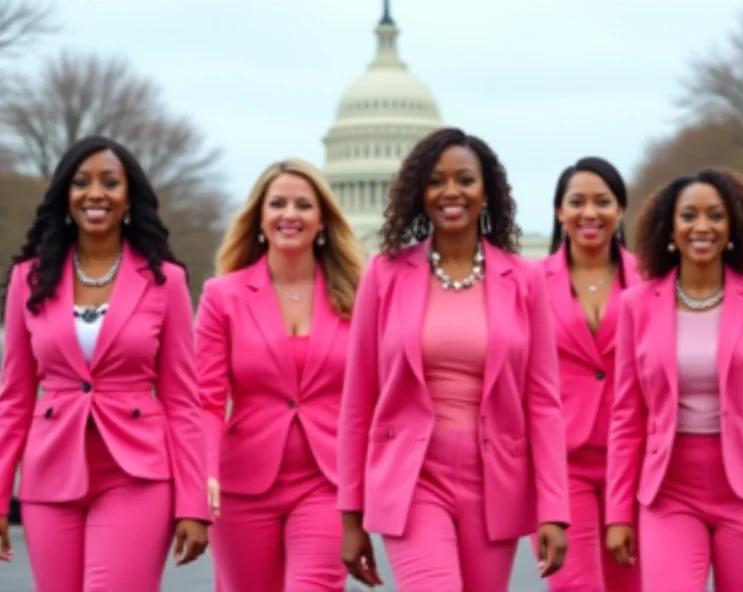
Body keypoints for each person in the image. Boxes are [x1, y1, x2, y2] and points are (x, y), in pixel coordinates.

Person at [338, 127, 569, 590]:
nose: (451, 192)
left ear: (486, 192)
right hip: (414, 479)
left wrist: (554, 510)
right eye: (436, 180)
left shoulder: (524, 279)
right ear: (418, 193)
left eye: (465, 179)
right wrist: (350, 515)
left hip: (496, 483)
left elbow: (543, 402)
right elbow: (358, 398)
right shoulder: (384, 275)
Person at [0, 135, 209, 592]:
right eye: (81, 183)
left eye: (110, 182)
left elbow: (182, 400)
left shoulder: (165, 281)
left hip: (136, 474)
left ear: (129, 196)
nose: (95, 193)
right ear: (65, 196)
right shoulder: (27, 280)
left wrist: (193, 503)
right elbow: (13, 399)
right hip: (50, 473)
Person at [606, 168, 743, 591]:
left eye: (716, 215)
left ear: (732, 227)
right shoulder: (635, 305)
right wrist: (618, 512)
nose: (702, 226)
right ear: (670, 229)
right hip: (668, 492)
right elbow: (626, 418)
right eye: (689, 215)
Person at [196, 159, 363, 591]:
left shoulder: (358, 297)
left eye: (304, 205)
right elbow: (207, 399)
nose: (290, 214)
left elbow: (372, 396)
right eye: (278, 204)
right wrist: (205, 471)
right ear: (260, 219)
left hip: (327, 483)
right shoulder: (222, 297)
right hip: (241, 484)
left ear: (322, 220)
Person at [539, 157, 642, 591]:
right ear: (559, 212)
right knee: (574, 585)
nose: (589, 213)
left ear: (620, 210)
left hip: (638, 462)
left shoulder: (653, 278)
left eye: (603, 201)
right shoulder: (529, 282)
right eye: (576, 201)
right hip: (561, 464)